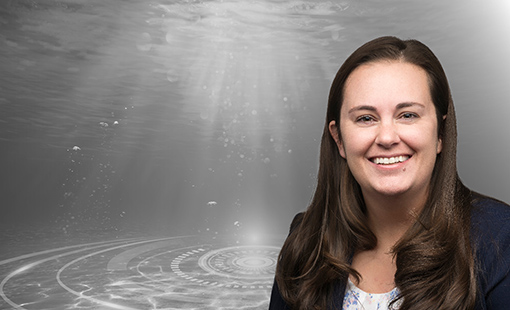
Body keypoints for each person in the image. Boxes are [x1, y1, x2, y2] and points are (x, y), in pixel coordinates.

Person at [269, 36, 510, 310]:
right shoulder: (305, 240)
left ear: (440, 133)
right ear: (339, 140)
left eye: (407, 115)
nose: (386, 137)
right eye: (365, 118)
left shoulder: (501, 239)